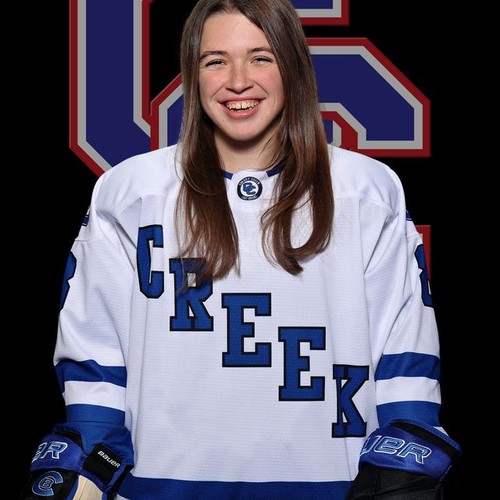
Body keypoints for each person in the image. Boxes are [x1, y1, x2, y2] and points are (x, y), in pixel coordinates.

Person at [21, 0, 460, 498]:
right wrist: (90, 459)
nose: (237, 81)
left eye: (260, 58)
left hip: (333, 484)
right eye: (216, 61)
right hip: (160, 487)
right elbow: (94, 351)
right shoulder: (130, 191)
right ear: (193, 75)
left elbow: (403, 349)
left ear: (292, 68)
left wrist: (405, 456)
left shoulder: (367, 189)